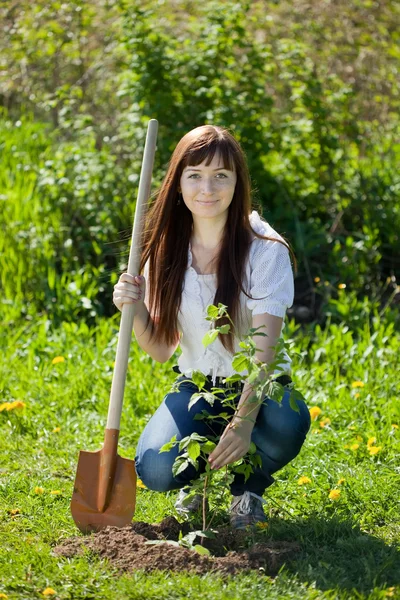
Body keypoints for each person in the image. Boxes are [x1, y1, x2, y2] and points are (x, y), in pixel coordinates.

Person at [112, 125, 311, 529]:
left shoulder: (264, 249)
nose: (208, 187)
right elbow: (161, 349)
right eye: (195, 175)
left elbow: (264, 353)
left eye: (221, 175)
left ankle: (247, 490)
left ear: (238, 183)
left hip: (259, 384)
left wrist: (243, 423)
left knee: (287, 423)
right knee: (154, 469)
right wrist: (134, 311)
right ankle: (194, 476)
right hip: (198, 384)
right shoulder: (164, 247)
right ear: (178, 183)